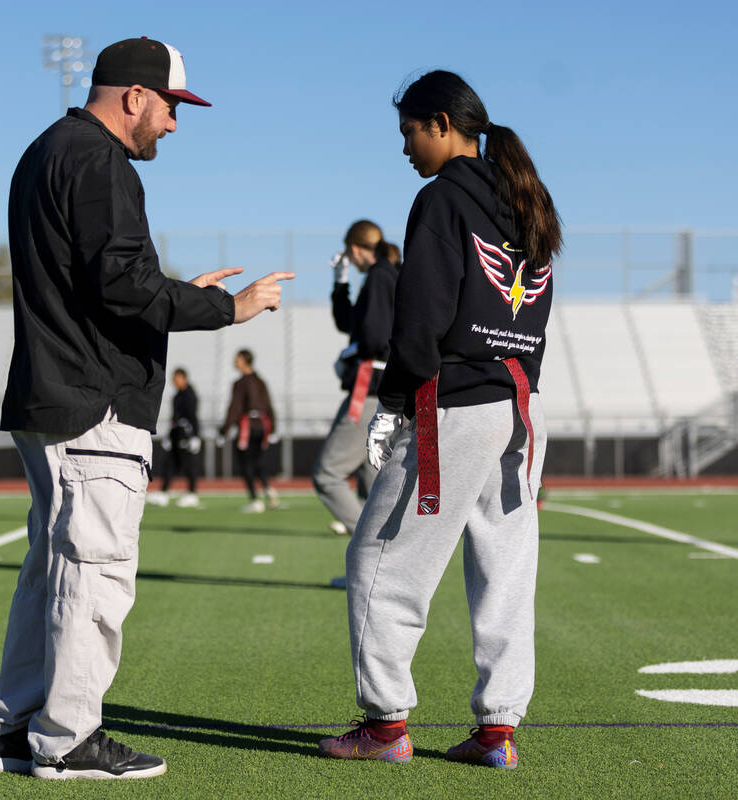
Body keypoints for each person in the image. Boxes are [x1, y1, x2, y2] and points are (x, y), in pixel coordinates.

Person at [0, 37, 293, 781]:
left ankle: (18, 729)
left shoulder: (47, 151)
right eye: (171, 109)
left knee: (51, 571)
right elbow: (122, 284)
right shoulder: (99, 160)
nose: (174, 126)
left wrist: (172, 286)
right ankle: (66, 740)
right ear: (133, 96)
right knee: (94, 572)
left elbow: (101, 280)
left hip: (53, 390)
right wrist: (224, 307)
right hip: (93, 402)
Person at [320, 70, 560, 769]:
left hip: (455, 403)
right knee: (506, 573)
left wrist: (394, 404)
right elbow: (532, 312)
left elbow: (420, 315)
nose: (406, 148)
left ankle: (385, 725)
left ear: (442, 123)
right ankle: (498, 732)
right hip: (522, 406)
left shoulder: (440, 199)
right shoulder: (526, 197)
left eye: (409, 132)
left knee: (379, 560)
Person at [312, 220, 395, 539]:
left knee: (328, 474)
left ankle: (369, 547)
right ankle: (374, 572)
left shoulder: (379, 277)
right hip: (381, 390)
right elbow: (349, 322)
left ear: (355, 249)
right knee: (372, 482)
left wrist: (351, 355)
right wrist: (340, 282)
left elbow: (374, 338)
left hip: (369, 388)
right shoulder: (386, 274)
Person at [221, 349, 278, 513]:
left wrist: (224, 429)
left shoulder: (240, 383)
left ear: (245, 361)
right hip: (263, 426)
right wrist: (273, 427)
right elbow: (268, 404)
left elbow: (235, 407)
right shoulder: (261, 381)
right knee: (257, 460)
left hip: (248, 428)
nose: (235, 362)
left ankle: (255, 500)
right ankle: (267, 488)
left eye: (237, 359)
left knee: (244, 463)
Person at [147, 368, 202, 508]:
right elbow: (174, 417)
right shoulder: (177, 396)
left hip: (186, 434)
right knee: (170, 463)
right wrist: (169, 436)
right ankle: (164, 492)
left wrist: (195, 436)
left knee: (188, 464)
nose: (174, 381)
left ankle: (192, 493)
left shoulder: (190, 395)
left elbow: (192, 416)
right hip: (176, 433)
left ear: (184, 378)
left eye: (176, 378)